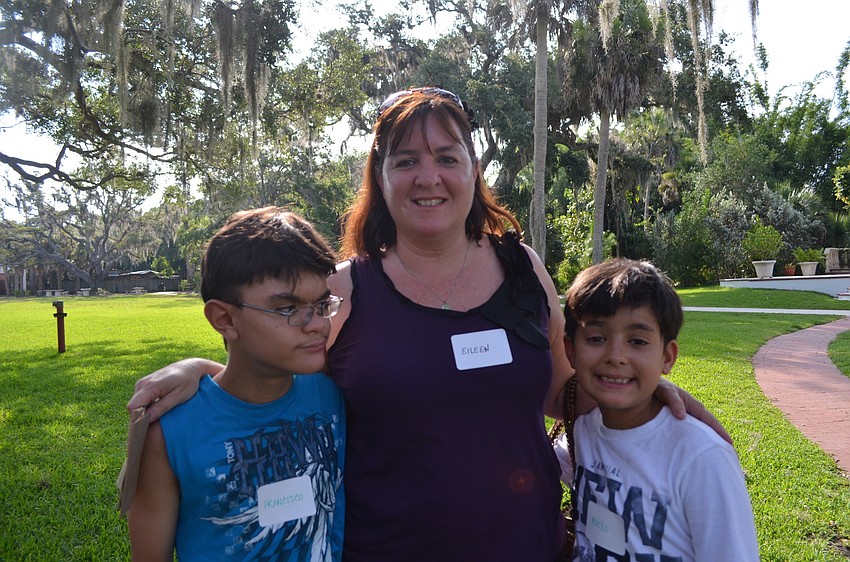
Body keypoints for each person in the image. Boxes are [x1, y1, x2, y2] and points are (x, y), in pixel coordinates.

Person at [128, 87, 726, 562]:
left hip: (526, 545)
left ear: (472, 170)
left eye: (447, 157)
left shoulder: (522, 267)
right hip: (385, 549)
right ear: (381, 177)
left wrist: (640, 391)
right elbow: (276, 364)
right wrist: (200, 369)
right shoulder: (344, 287)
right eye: (406, 160)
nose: (428, 176)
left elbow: (564, 390)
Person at [126, 207, 347, 561]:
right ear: (225, 319)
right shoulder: (168, 433)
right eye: (289, 309)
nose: (317, 324)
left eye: (322, 304)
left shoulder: (332, 394)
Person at [560, 258, 759, 561]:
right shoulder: (581, 433)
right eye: (597, 338)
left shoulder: (701, 458)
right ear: (571, 350)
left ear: (668, 356)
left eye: (637, 341)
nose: (616, 356)